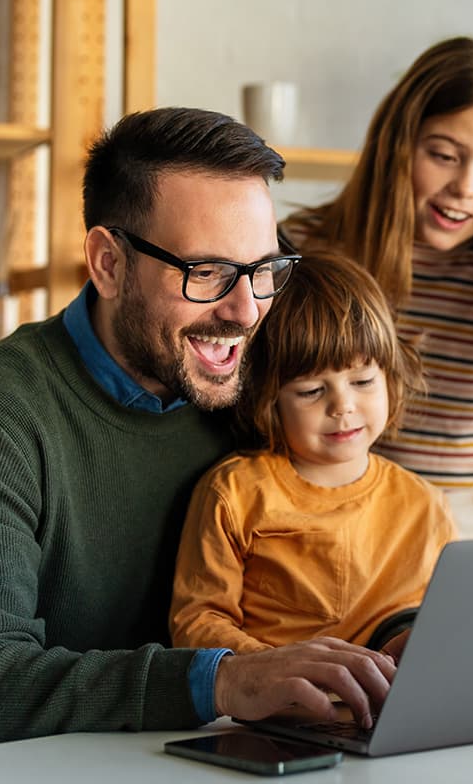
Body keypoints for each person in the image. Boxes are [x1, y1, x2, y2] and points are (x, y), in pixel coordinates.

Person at [0, 107, 395, 748]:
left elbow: (336, 550)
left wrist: (398, 638)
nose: (246, 310)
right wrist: (221, 682)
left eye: (263, 270)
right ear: (108, 263)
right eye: (207, 273)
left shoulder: (268, 386)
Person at [282, 36, 473, 539]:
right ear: (399, 145)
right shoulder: (310, 247)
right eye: (445, 155)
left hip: (471, 518)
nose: (467, 187)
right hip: (334, 514)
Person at [169, 252, 457, 656]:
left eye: (362, 381)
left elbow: (444, 624)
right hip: (275, 709)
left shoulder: (425, 506)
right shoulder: (234, 493)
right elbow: (197, 622)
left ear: (391, 378)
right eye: (311, 391)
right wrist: (270, 671)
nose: (343, 406)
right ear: (269, 400)